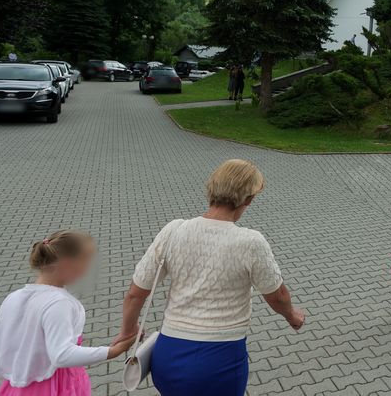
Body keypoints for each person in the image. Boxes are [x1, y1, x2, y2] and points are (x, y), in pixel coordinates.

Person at [115, 159, 304, 396]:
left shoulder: (174, 230)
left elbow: (135, 293)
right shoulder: (250, 242)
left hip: (167, 357)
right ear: (248, 199)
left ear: (212, 189)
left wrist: (128, 329)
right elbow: (277, 296)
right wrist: (292, 315)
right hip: (219, 360)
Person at [0, 231, 135, 396]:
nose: (87, 269)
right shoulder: (60, 304)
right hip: (58, 386)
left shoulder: (13, 298)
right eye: (86, 262)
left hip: (19, 388)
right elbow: (61, 355)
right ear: (68, 264)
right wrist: (112, 351)